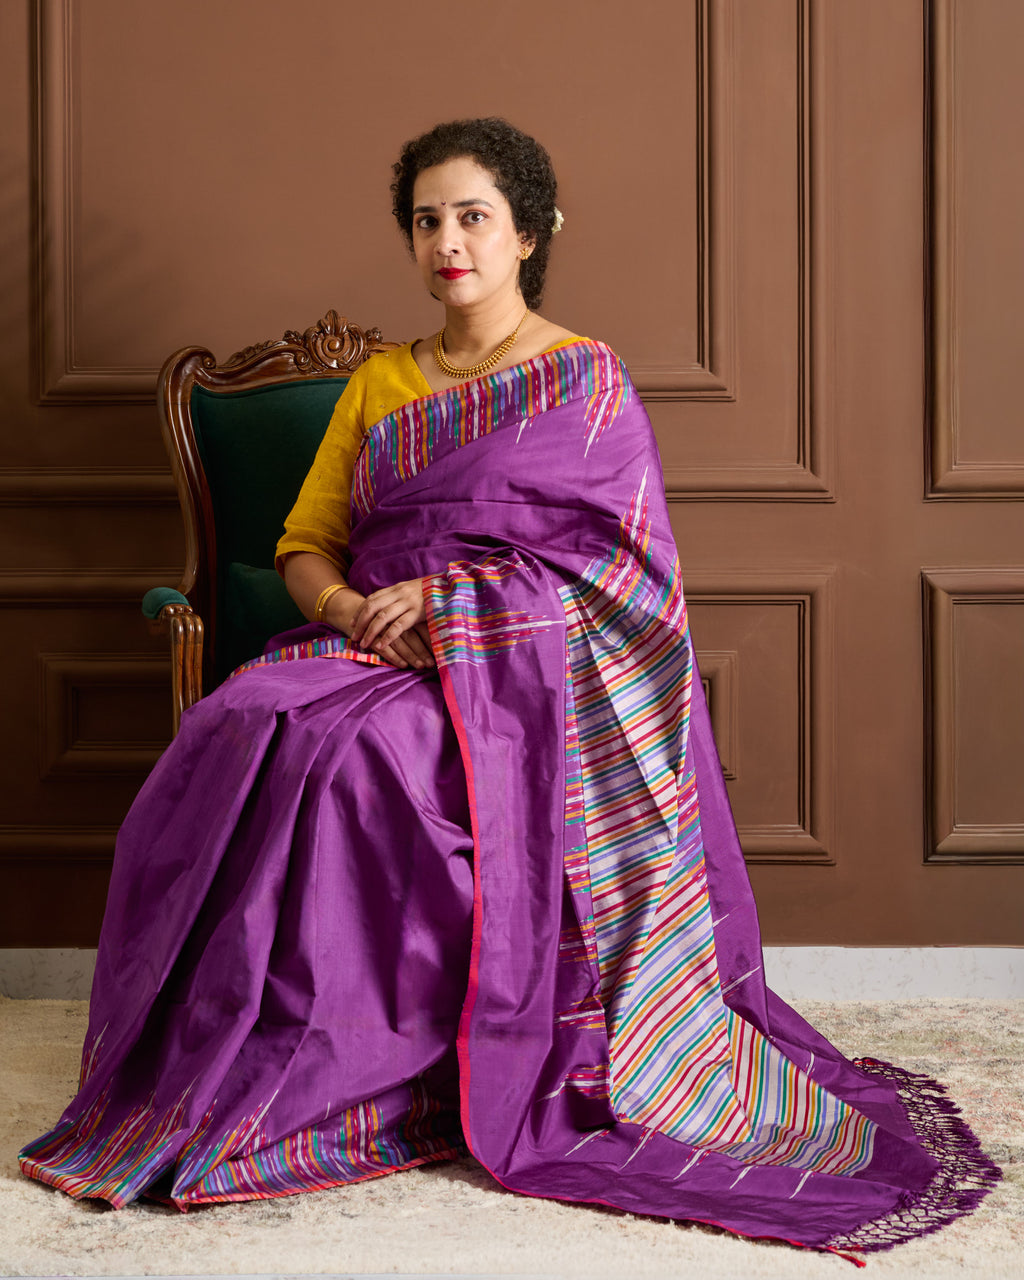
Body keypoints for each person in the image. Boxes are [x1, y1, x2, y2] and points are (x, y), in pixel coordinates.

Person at [20, 118, 998, 1259]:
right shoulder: (383, 382)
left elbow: (625, 580)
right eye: (427, 220)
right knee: (241, 717)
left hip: (519, 675)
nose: (448, 241)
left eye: (472, 216)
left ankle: (366, 1067)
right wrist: (345, 611)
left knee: (357, 759)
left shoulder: (585, 384)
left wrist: (458, 612)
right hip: (365, 643)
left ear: (529, 232)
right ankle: (222, 1053)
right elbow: (304, 543)